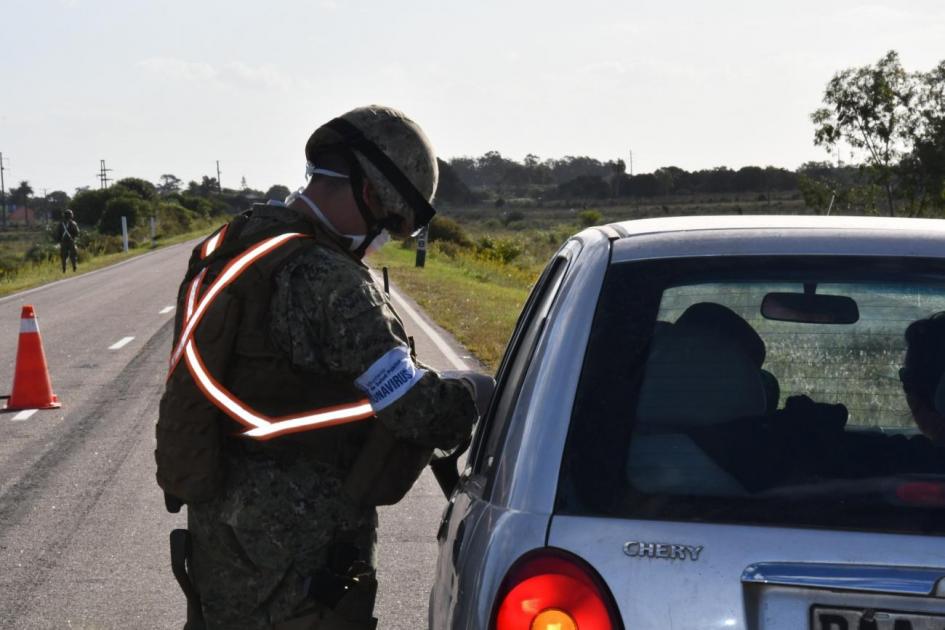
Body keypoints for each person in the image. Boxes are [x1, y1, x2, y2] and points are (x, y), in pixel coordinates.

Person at [156, 105, 480, 629]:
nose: (378, 242)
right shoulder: (328, 281)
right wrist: (472, 395)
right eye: (386, 226)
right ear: (373, 194)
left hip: (220, 536)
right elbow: (415, 411)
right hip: (300, 552)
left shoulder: (235, 247)